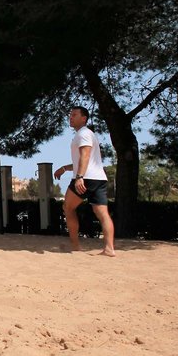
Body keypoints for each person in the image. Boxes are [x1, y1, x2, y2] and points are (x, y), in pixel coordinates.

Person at [53, 106, 116, 257]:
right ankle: (109, 249)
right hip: (99, 178)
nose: (71, 117)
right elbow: (84, 160)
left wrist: (79, 177)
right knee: (102, 213)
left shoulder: (83, 134)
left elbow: (85, 156)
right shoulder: (87, 134)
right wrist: (65, 168)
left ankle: (75, 246)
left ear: (84, 118)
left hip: (86, 178)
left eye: (74, 115)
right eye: (70, 115)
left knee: (68, 208)